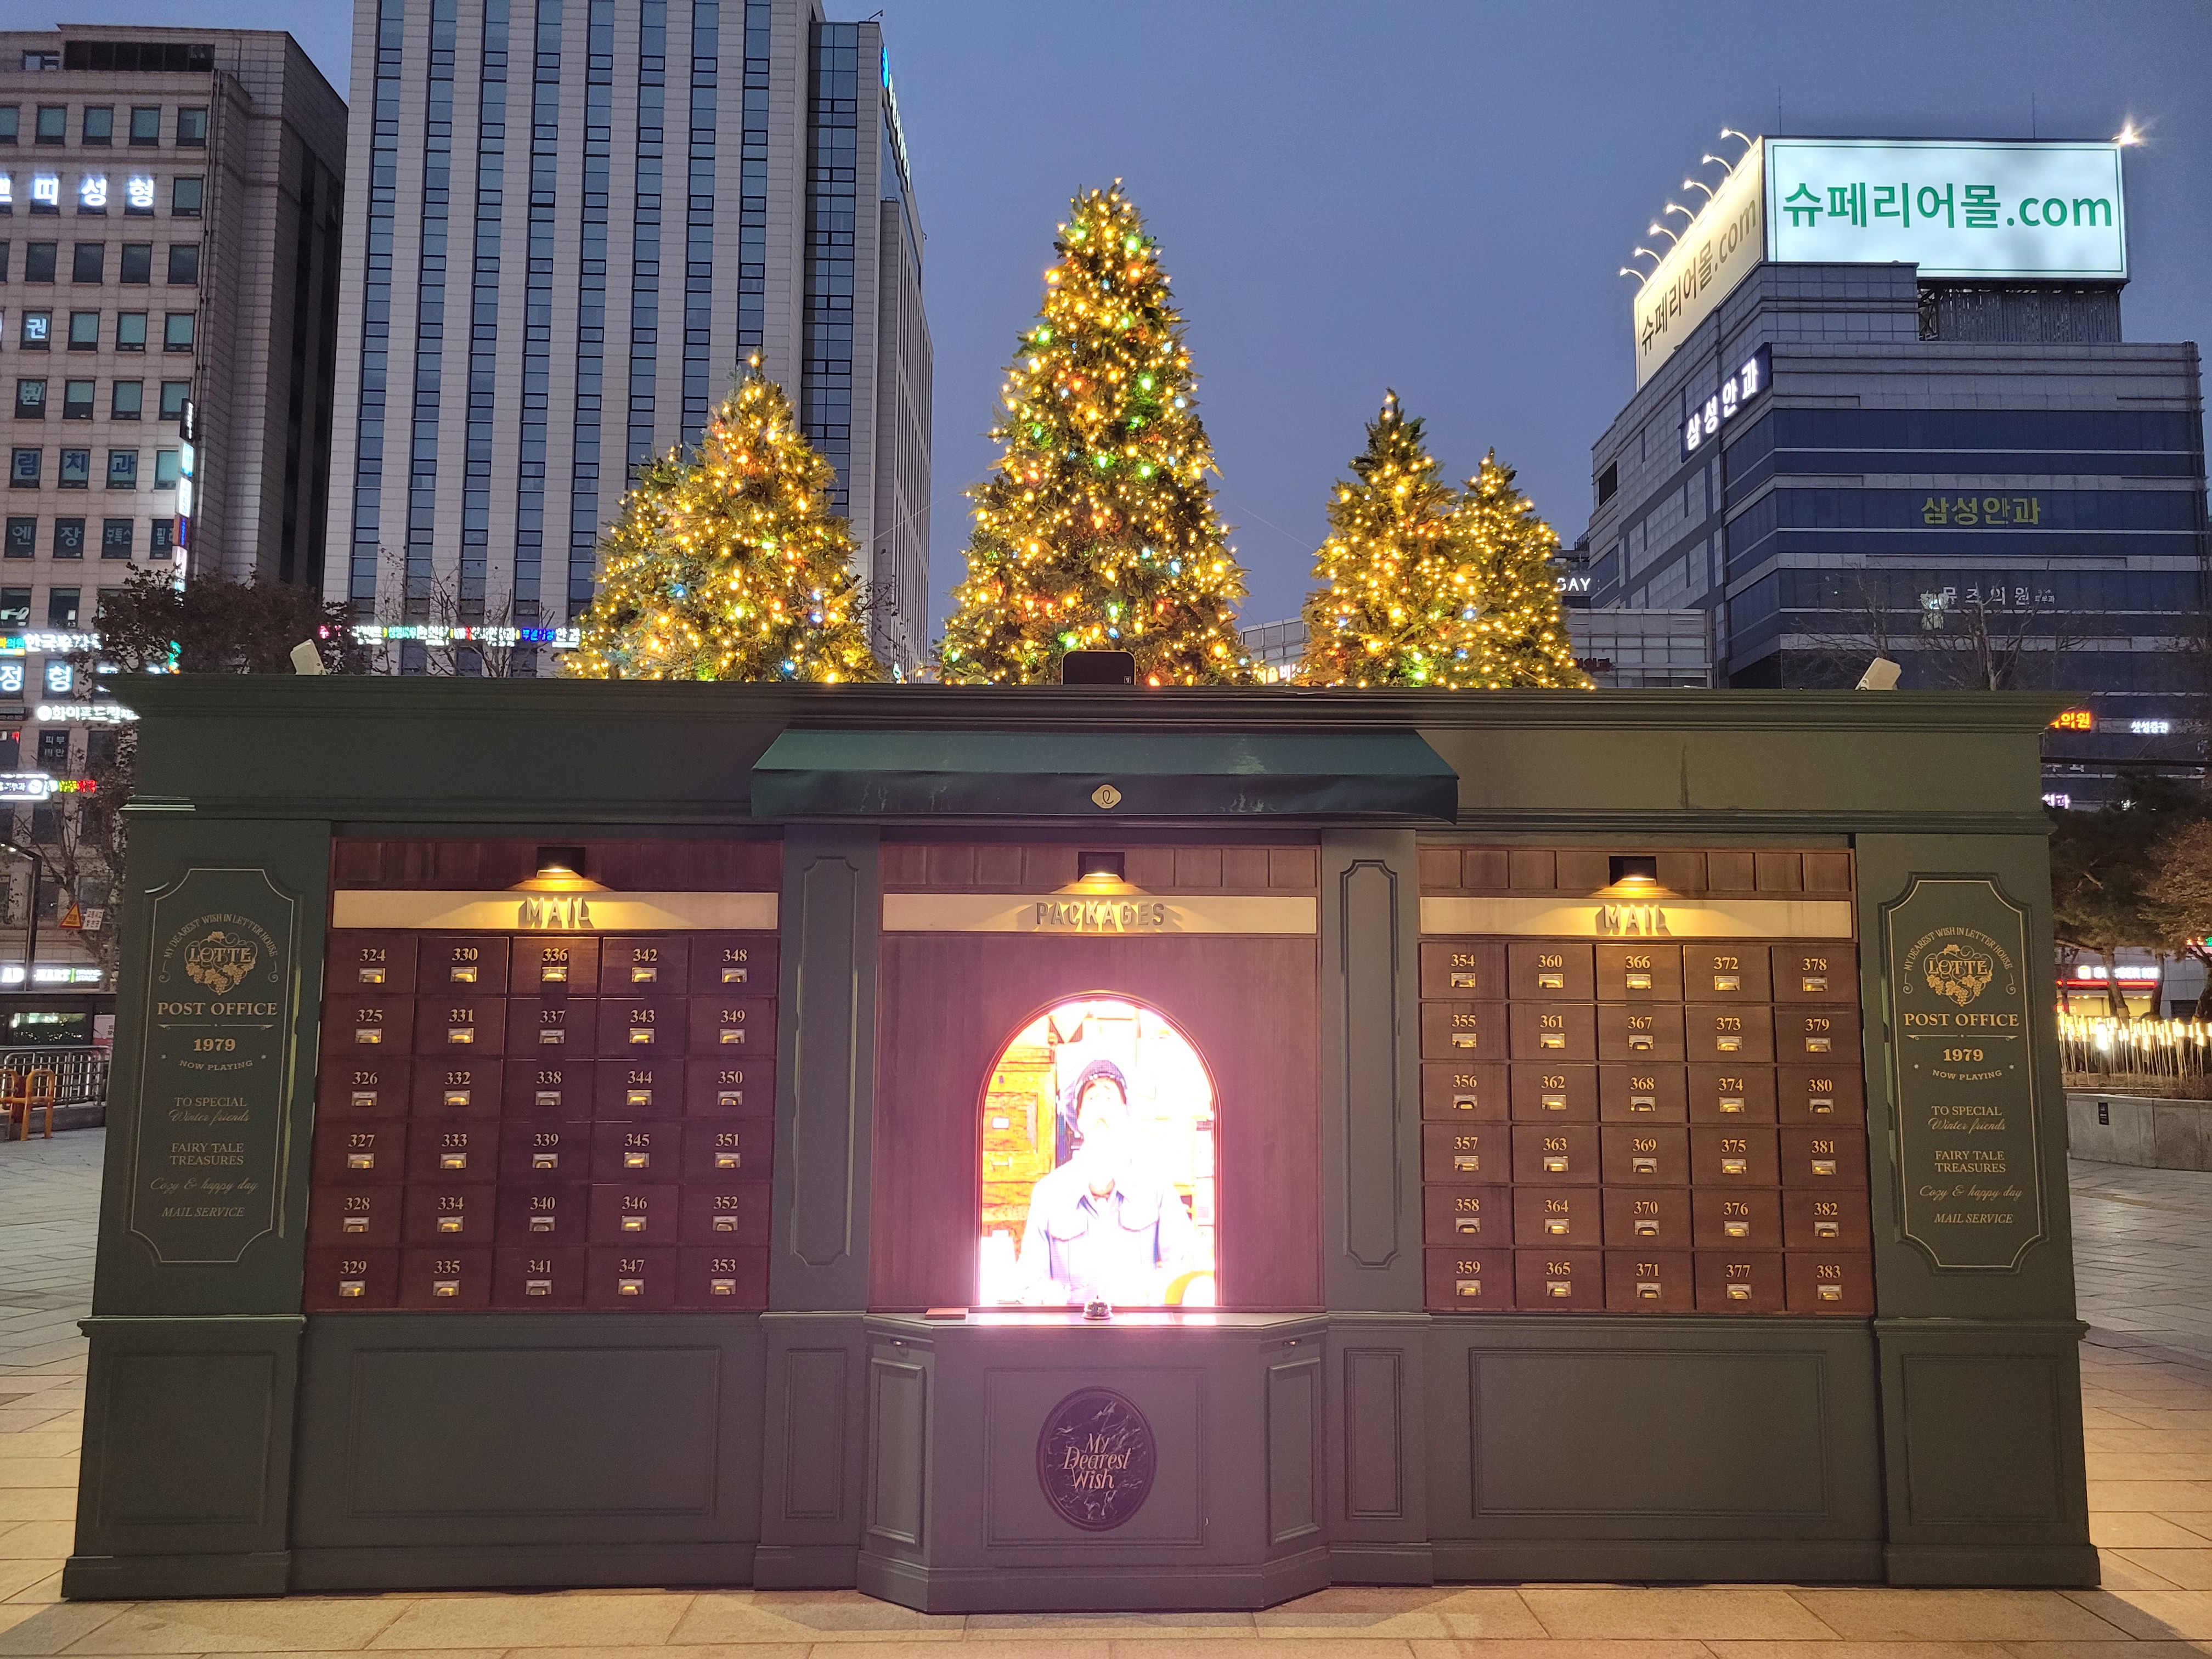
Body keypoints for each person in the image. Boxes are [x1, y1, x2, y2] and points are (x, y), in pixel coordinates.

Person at [1018, 1059, 1198, 1306]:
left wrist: (1150, 1292)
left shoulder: (1157, 1188)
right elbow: (1028, 1282)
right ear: (1078, 1118)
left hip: (1137, 1331)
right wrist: (1048, 1297)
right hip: (1069, 1331)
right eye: (1091, 1098)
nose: (1100, 1107)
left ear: (1126, 1113)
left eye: (1110, 1097)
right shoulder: (1048, 1194)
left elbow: (1185, 1268)